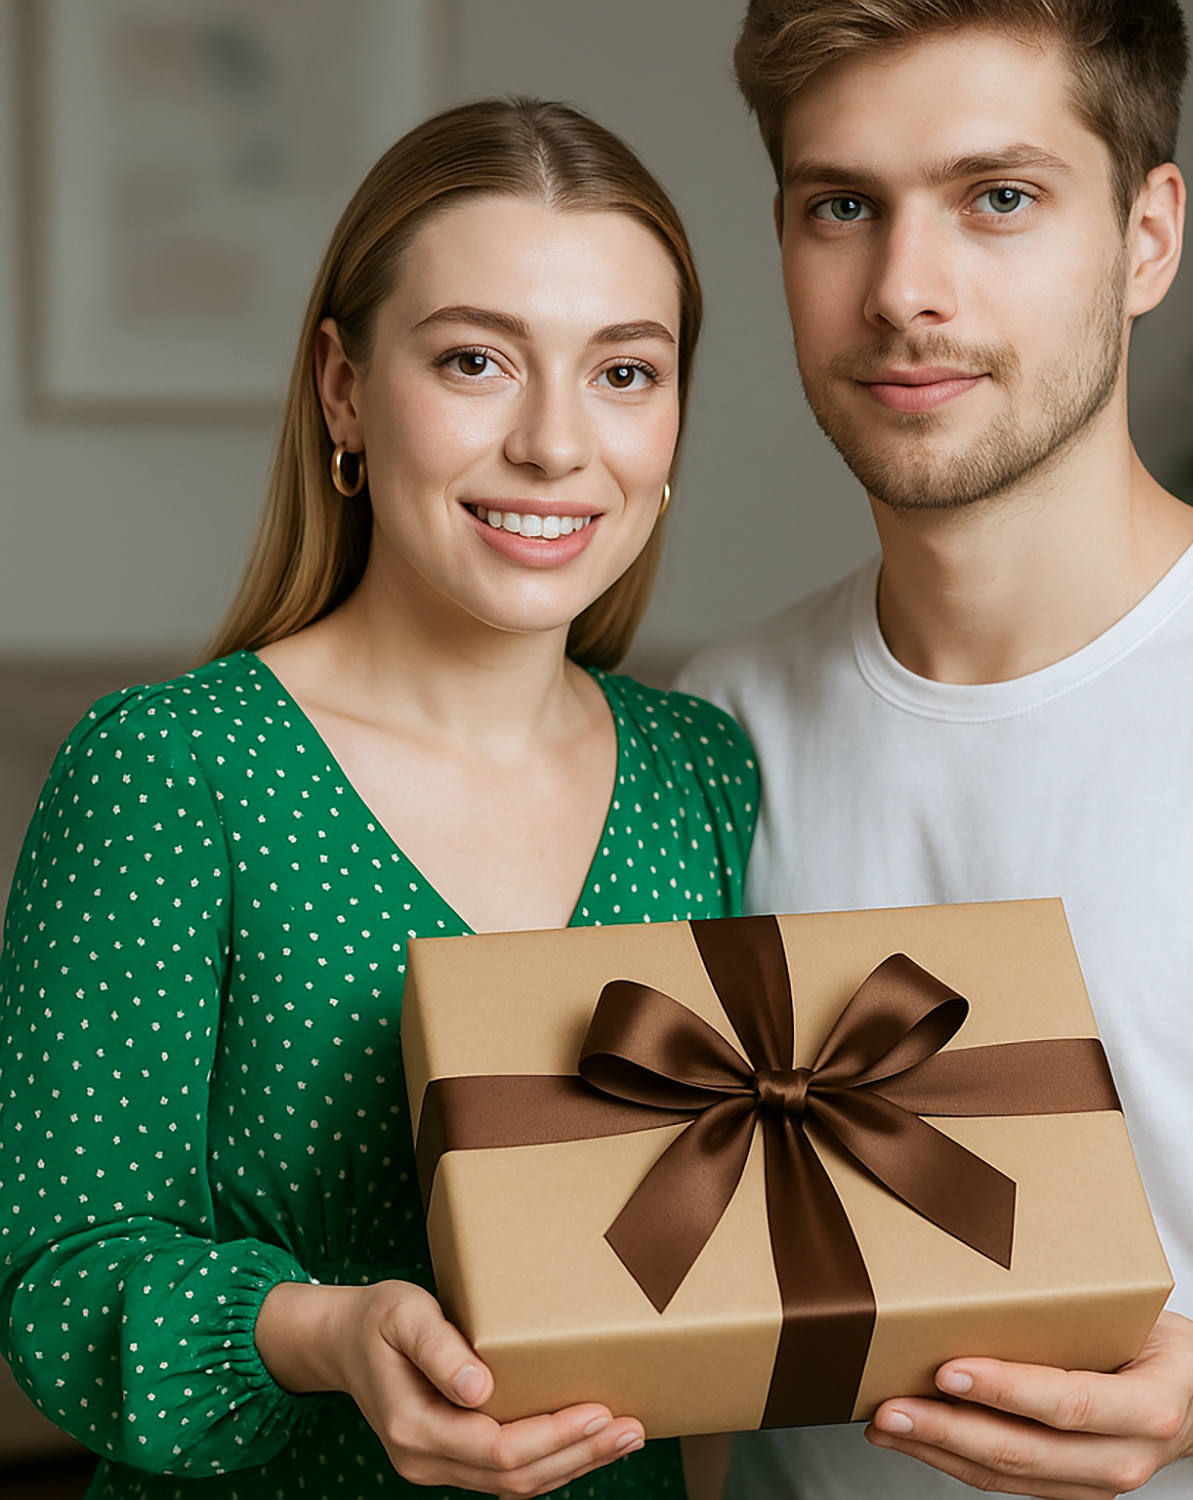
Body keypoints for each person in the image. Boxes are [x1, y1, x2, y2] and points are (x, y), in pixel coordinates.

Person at [677, 3, 1193, 1497]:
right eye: (842, 207)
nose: (904, 291)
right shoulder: (719, 718)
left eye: (999, 198)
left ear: (1147, 236)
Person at [0, 98, 758, 1500]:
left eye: (625, 373)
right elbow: (60, 1280)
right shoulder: (169, 770)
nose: (553, 444)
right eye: (476, 360)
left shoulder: (703, 774)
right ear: (345, 389)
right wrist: (324, 1333)